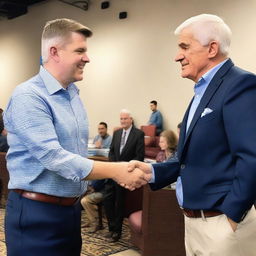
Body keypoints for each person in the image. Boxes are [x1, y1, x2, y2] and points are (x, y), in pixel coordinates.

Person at [3, 18, 149, 256]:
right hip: (35, 214)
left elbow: (75, 154)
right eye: (80, 50)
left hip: (69, 213)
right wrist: (117, 170)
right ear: (54, 52)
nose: (87, 58)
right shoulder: (28, 96)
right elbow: (55, 158)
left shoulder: (72, 95)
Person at [128, 14, 256, 255]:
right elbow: (188, 158)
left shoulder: (240, 84)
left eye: (184, 47)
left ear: (212, 49)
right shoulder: (202, 91)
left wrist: (231, 217)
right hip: (193, 222)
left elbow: (251, 158)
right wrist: (152, 172)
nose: (177, 55)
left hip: (221, 226)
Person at [103, 109, 145, 242]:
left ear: (131, 119)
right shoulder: (116, 133)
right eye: (121, 119)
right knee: (107, 199)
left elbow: (139, 156)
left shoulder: (138, 134)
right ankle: (111, 228)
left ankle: (117, 232)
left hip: (126, 174)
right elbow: (112, 152)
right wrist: (113, 167)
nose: (123, 121)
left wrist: (124, 170)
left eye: (125, 119)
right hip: (113, 173)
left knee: (119, 203)